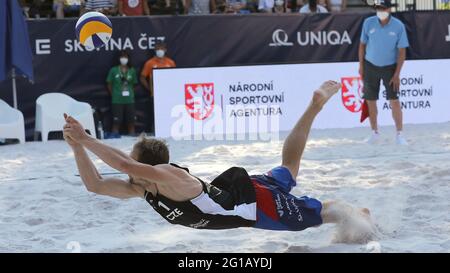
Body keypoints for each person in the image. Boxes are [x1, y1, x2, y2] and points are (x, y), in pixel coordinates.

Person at [62, 81, 376, 242]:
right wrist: (76, 146)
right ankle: (314, 107)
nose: (129, 170)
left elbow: (126, 167)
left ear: (152, 167)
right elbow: (95, 184)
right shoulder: (143, 190)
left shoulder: (170, 177)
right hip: (243, 192)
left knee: (316, 215)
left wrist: (87, 138)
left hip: (255, 206)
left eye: (133, 161)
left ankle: (355, 213)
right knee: (290, 168)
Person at [359, 0, 409, 145]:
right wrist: (361, 65)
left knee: (394, 101)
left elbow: (402, 52)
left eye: (383, 8)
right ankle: (374, 133)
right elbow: (362, 45)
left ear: (389, 9)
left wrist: (397, 74)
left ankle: (399, 134)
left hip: (390, 68)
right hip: (370, 66)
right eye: (378, 8)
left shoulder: (398, 26)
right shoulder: (368, 22)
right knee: (370, 101)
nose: (380, 10)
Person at [140, 42, 176, 134]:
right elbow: (142, 77)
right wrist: (149, 88)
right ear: (155, 50)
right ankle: (155, 131)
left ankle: (170, 130)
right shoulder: (150, 63)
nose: (160, 51)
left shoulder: (170, 62)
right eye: (157, 49)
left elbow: (176, 76)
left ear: (165, 50)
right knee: (156, 115)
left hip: (169, 93)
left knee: (170, 113)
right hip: (155, 94)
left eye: (161, 48)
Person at [106, 51, 138, 136]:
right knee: (116, 121)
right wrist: (114, 94)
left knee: (131, 122)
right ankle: (114, 137)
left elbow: (134, 84)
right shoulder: (114, 70)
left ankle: (132, 137)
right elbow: (109, 84)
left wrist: (131, 94)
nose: (124, 59)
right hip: (117, 99)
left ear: (128, 59)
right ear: (119, 58)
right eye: (122, 57)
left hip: (129, 100)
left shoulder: (132, 70)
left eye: (126, 57)